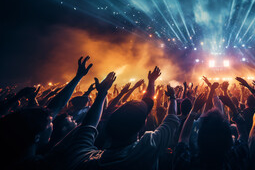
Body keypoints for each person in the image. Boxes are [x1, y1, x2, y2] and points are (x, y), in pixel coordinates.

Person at [52, 67, 180, 170]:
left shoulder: (85, 160)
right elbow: (172, 119)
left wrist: (101, 94)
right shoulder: (147, 147)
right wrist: (172, 97)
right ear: (142, 126)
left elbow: (86, 127)